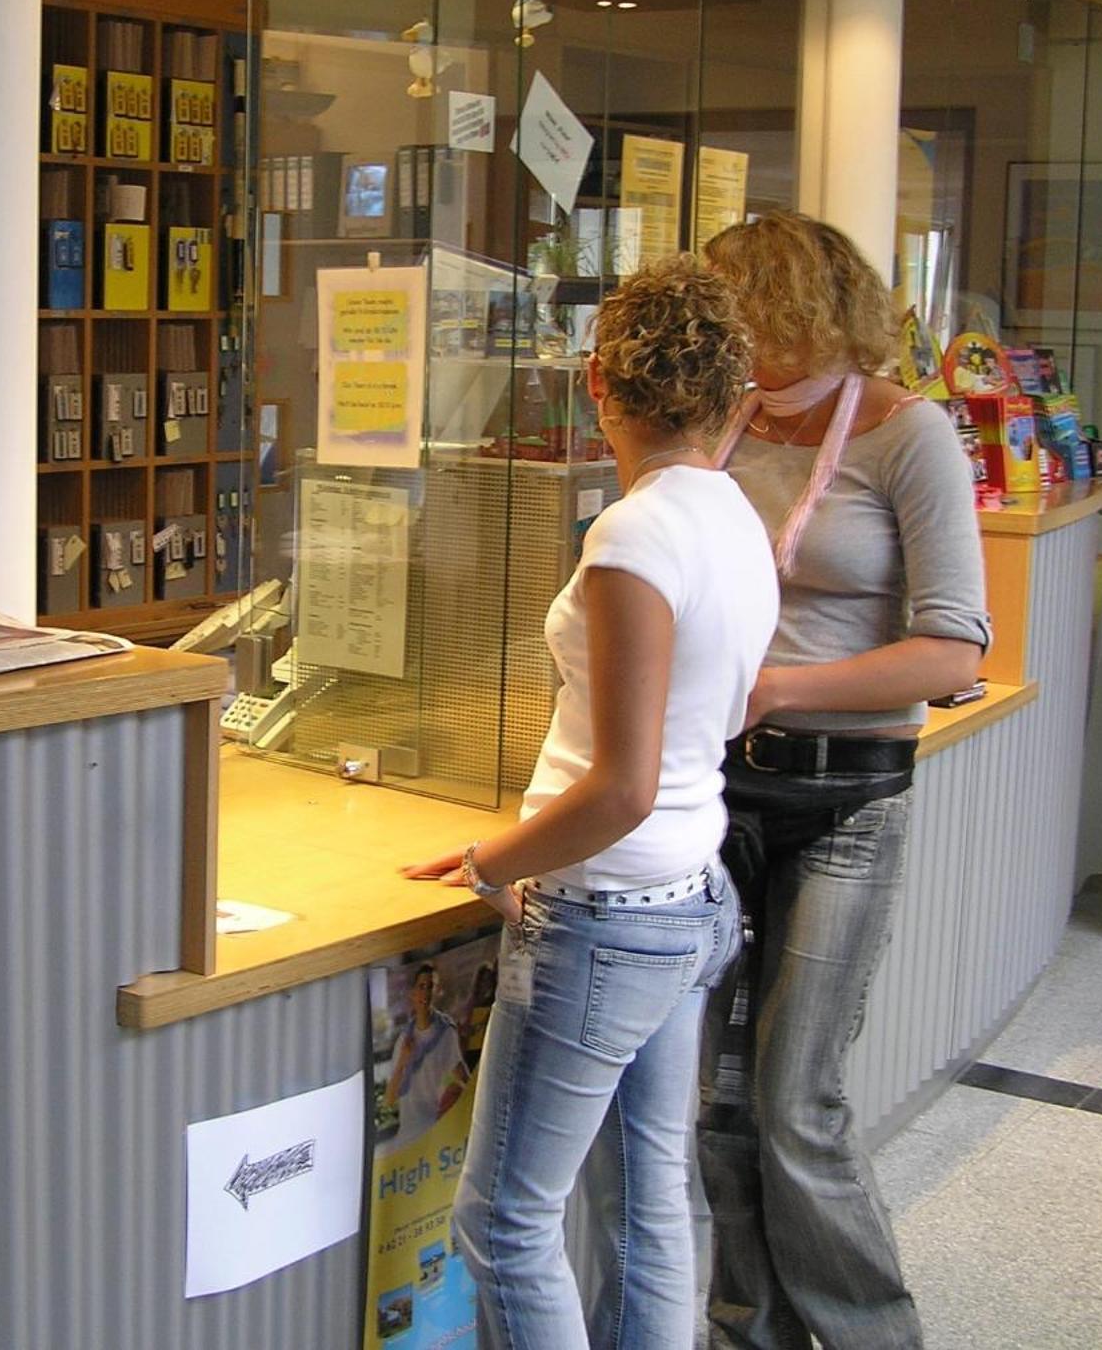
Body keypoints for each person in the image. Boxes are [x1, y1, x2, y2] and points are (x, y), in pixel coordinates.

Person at [404, 257, 774, 1350]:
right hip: (689, 893)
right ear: (725, 395)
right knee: (647, 1199)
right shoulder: (733, 518)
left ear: (600, 385)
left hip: (607, 910)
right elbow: (734, 705)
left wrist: (493, 858)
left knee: (508, 1221)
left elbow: (616, 785)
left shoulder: (634, 534)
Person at [697, 212, 991, 1350]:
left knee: (793, 1102)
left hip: (844, 796)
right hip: (719, 790)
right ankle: (745, 1331)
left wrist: (776, 688)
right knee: (719, 1103)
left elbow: (952, 651)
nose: (727, 341)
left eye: (740, 315)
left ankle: (873, 1336)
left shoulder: (906, 436)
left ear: (794, 310)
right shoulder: (725, 427)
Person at [385, 961, 470, 1148]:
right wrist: (403, 1061)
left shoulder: (446, 1033)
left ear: (438, 992)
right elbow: (390, 1099)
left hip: (434, 1130)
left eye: (431, 987)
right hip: (407, 1134)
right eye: (422, 987)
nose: (426, 993)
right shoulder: (404, 1040)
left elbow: (460, 1074)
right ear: (413, 994)